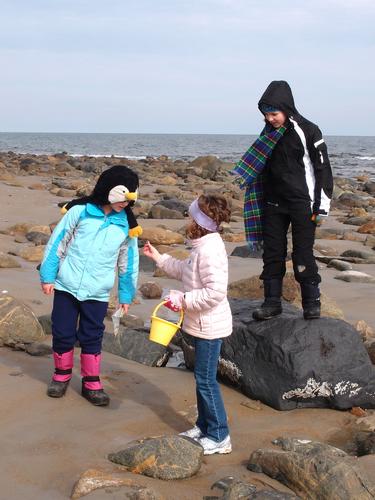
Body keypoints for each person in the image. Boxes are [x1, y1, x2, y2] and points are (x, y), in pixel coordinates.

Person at [232, 80, 333, 320]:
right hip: (273, 204)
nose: (269, 119)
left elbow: (323, 170)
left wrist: (323, 207)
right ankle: (271, 303)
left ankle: (311, 302)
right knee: (273, 254)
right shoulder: (268, 133)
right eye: (266, 114)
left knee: (303, 255)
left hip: (303, 204)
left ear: (286, 108)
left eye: (274, 113)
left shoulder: (308, 130)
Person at [39, 165, 140, 406]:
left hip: (97, 291)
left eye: (130, 198)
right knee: (62, 331)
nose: (125, 203)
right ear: (107, 189)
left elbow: (128, 262)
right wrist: (48, 276)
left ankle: (91, 382)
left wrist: (126, 295)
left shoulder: (126, 225)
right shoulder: (80, 212)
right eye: (122, 196)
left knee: (92, 336)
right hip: (66, 285)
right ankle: (61, 374)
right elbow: (57, 243)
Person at [143, 194, 233, 455]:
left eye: (190, 215)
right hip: (200, 323)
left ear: (200, 221)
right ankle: (204, 426)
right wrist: (159, 258)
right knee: (201, 379)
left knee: (206, 380)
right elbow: (185, 270)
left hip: (210, 326)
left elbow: (216, 292)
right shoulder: (201, 246)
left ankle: (219, 435)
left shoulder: (210, 250)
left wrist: (182, 300)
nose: (187, 218)